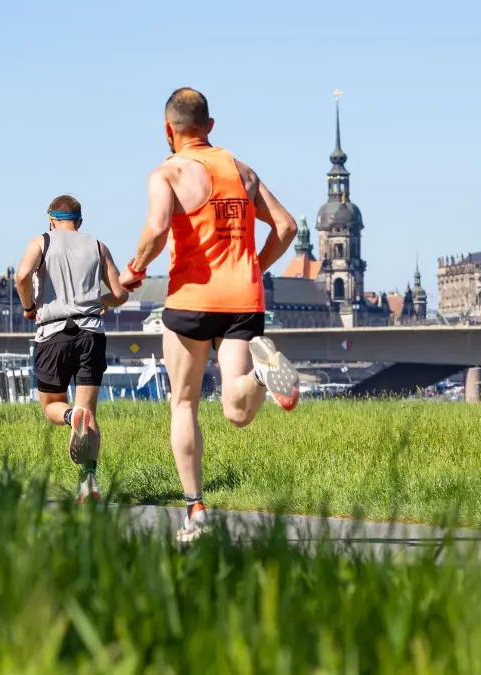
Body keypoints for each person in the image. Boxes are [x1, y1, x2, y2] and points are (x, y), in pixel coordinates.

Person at [119, 88, 301, 542]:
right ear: (211, 126)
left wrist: (135, 269)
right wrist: (253, 268)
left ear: (168, 129)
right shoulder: (243, 172)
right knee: (237, 411)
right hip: (244, 301)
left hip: (191, 301)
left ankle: (195, 510)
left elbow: (158, 229)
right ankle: (261, 377)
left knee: (184, 404)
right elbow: (287, 227)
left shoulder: (168, 173)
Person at [14, 195, 127, 502]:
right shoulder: (98, 246)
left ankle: (69, 417)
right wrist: (97, 302)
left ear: (52, 220)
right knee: (89, 411)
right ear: (79, 221)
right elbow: (119, 294)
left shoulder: (42, 242)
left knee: (53, 405)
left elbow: (22, 275)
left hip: (54, 333)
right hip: (91, 333)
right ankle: (89, 481)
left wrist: (29, 306)